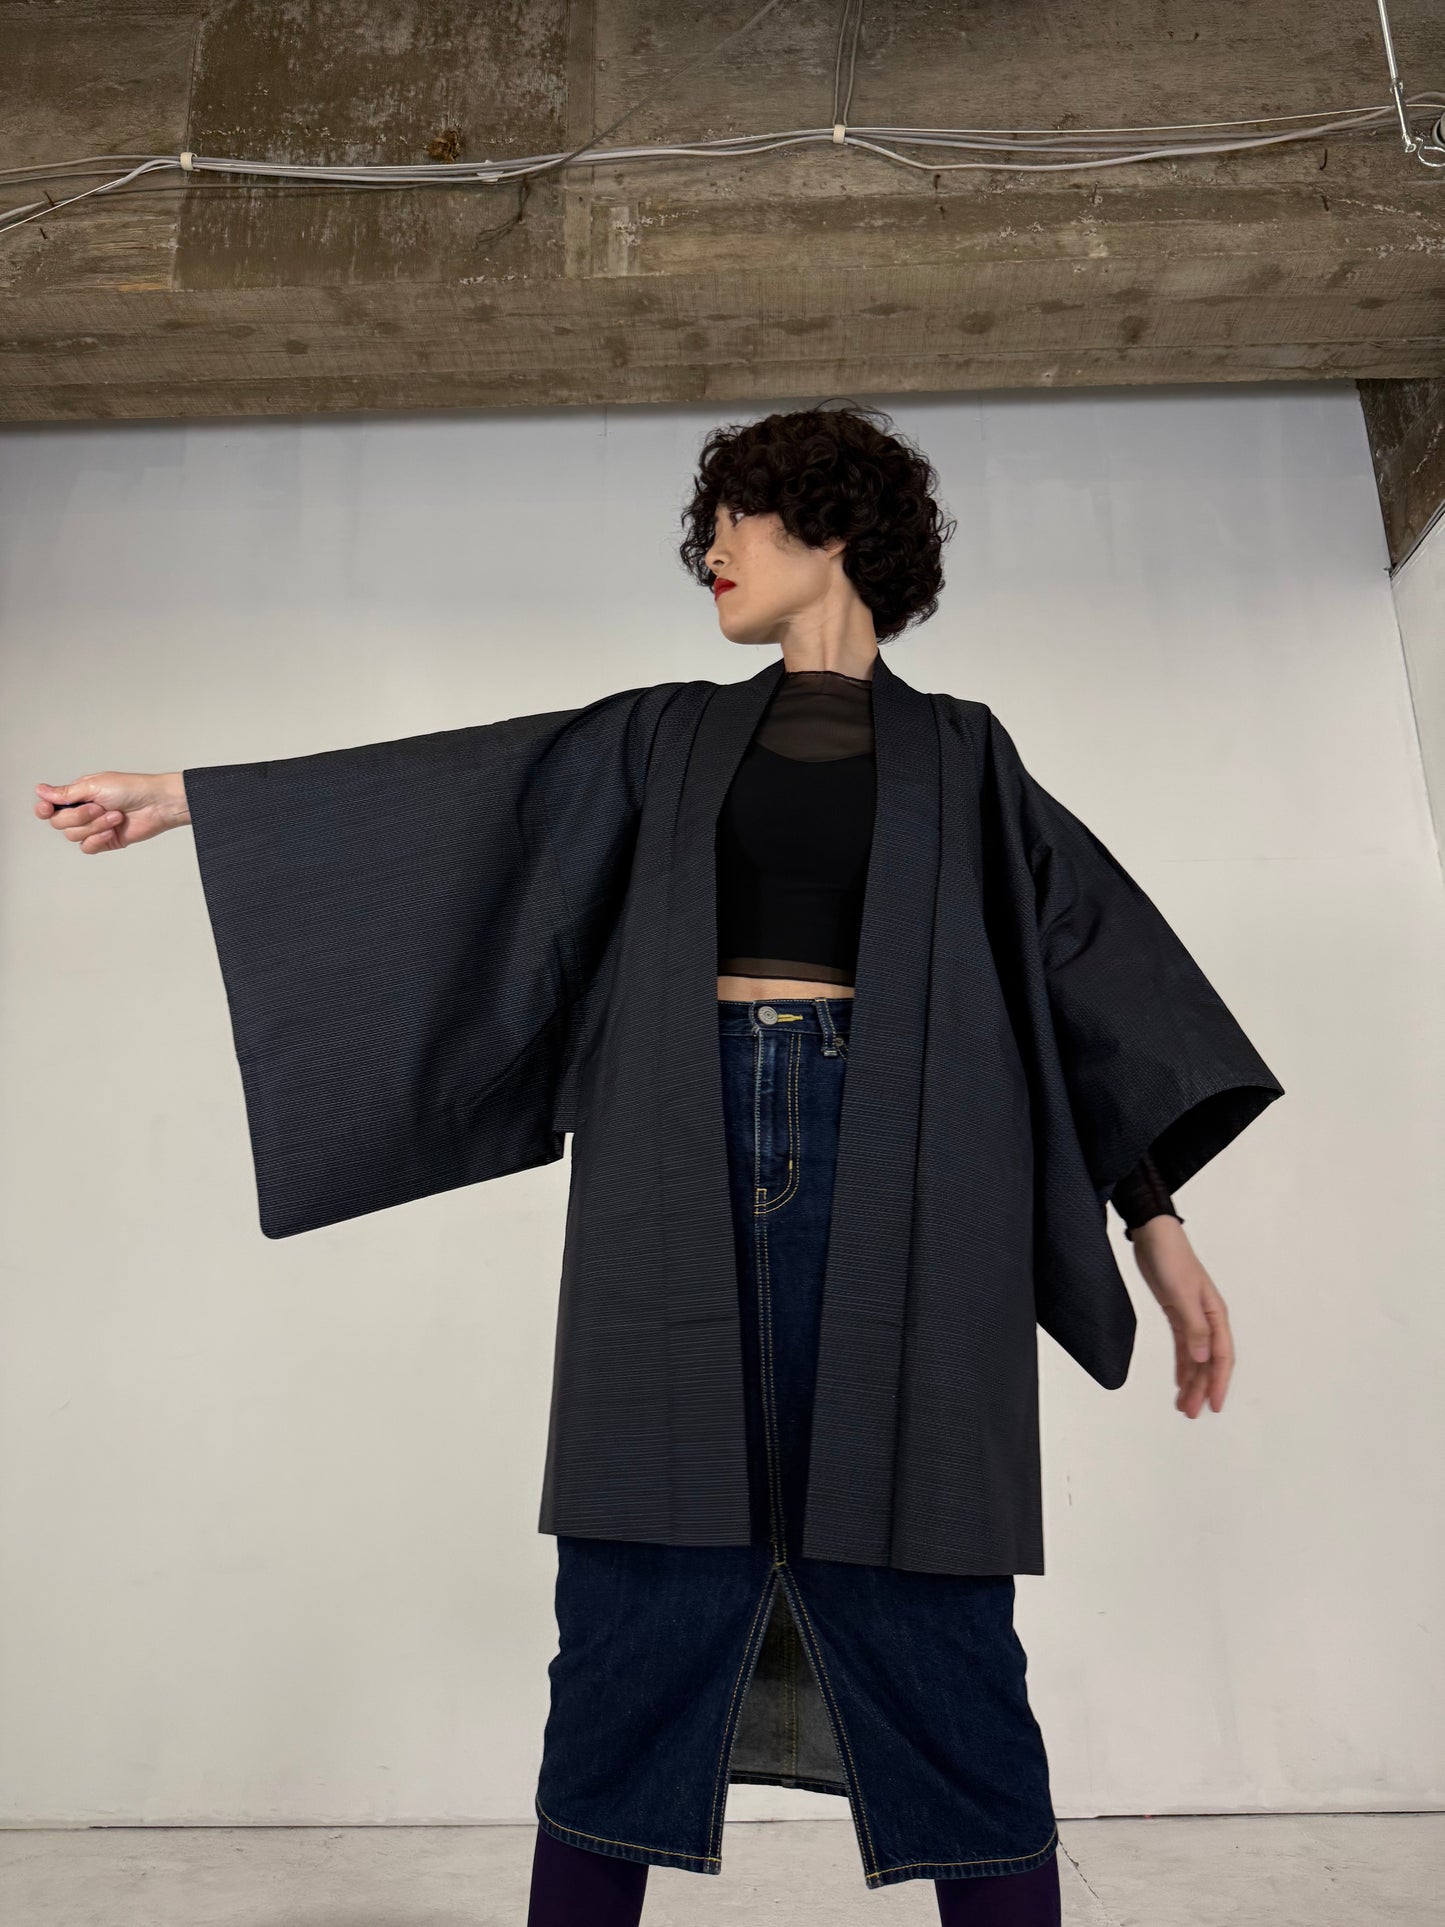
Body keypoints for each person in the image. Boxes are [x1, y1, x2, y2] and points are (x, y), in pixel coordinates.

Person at [34, 403, 1281, 1926]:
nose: (712, 551)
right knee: (640, 1570)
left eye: (740, 518)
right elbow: (462, 799)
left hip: (910, 1171)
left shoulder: (964, 754)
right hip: (672, 1156)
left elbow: (1075, 980)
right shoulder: (666, 734)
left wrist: (1156, 1224)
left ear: (831, 529)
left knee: (930, 1580)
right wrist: (188, 800)